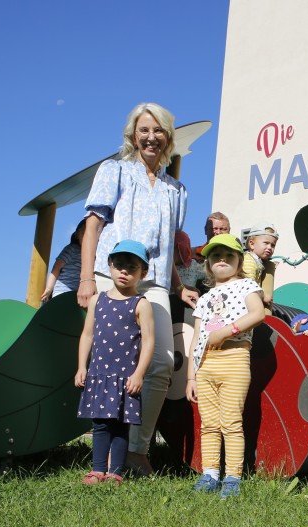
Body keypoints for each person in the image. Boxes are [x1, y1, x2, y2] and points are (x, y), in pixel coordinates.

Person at [77, 102, 199, 476]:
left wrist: (179, 286)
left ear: (168, 137)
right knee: (109, 362)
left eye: (158, 130)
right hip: (111, 276)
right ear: (133, 135)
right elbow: (93, 226)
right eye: (144, 130)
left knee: (160, 362)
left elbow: (165, 244)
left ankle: (135, 449)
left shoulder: (176, 189)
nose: (151, 136)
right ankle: (104, 449)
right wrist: (85, 278)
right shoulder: (114, 170)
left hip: (157, 281)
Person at [185, 234, 265, 498]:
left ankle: (232, 477)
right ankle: (210, 474)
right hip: (205, 364)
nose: (222, 260)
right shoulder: (205, 297)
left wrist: (227, 331)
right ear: (207, 264)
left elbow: (258, 313)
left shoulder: (247, 286)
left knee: (231, 422)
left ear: (239, 261)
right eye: (215, 256)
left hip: (234, 358)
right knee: (208, 424)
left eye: (228, 255)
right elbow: (196, 338)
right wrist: (190, 377)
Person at [75, 240, 155, 485]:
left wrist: (139, 374)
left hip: (125, 378)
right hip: (99, 375)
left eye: (131, 267)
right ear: (109, 266)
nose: (124, 271)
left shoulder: (141, 304)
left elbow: (149, 342)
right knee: (100, 424)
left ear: (143, 273)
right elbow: (87, 334)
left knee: (121, 426)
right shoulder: (97, 300)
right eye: (119, 265)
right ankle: (98, 470)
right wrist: (82, 366)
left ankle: (115, 472)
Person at [41, 219, 86, 303]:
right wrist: (49, 288)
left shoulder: (94, 254)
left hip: (77, 294)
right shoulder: (72, 249)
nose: (88, 237)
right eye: (85, 233)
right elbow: (57, 267)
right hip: (62, 291)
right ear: (77, 235)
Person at [242, 222, 278, 309]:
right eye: (266, 243)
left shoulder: (257, 261)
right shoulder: (249, 261)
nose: (270, 247)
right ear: (252, 244)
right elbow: (248, 285)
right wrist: (263, 296)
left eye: (273, 245)